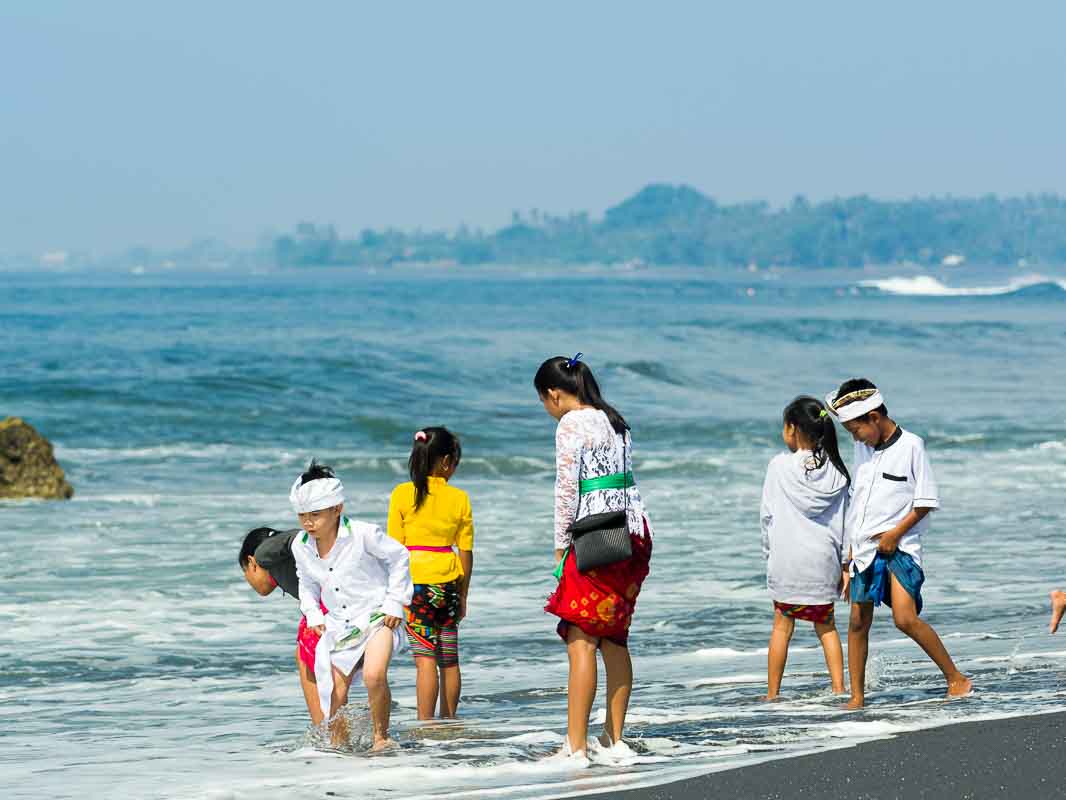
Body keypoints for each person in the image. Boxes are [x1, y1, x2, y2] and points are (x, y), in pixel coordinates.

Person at [826, 378, 972, 709]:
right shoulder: (862, 448)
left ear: (874, 417)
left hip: (900, 549)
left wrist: (894, 534)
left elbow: (925, 501)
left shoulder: (912, 446)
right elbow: (857, 505)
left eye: (856, 429)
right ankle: (857, 697)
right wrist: (848, 560)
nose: (854, 437)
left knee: (904, 619)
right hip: (863, 551)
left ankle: (957, 679)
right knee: (857, 623)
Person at [536, 354, 653, 763]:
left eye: (545, 404)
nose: (549, 412)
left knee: (581, 639)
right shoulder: (615, 419)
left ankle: (576, 746)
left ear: (554, 395)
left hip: (595, 535)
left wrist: (559, 543)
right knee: (615, 637)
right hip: (634, 533)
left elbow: (567, 487)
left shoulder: (572, 423)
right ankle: (613, 738)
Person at [289, 461, 413, 750]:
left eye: (316, 515)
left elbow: (399, 557)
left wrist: (395, 602)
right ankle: (338, 746)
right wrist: (312, 613)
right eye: (302, 516)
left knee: (373, 674)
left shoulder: (364, 533)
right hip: (338, 624)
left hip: (377, 615)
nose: (308, 523)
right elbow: (305, 582)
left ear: (337, 509)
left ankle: (381, 738)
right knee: (334, 688)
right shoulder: (301, 545)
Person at [760, 396, 850, 700]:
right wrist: (846, 564)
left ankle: (773, 693)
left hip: (788, 560)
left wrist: (768, 554)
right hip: (823, 560)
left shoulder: (778, 466)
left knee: (782, 627)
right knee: (826, 626)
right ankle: (839, 688)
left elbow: (767, 517)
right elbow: (845, 523)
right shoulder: (837, 472)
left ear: (793, 428)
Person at [387, 427, 474, 720]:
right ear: (447, 461)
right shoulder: (459, 498)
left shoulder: (401, 494)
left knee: (425, 661)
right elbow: (466, 551)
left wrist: (392, 595)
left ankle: (426, 726)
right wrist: (463, 595)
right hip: (448, 583)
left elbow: (394, 550)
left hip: (416, 586)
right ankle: (449, 721)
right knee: (448, 660)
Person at [239, 526, 327, 724]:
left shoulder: (263, 554)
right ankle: (333, 729)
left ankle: (326, 731)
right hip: (352, 603)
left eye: (245, 572)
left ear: (251, 562)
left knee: (305, 646)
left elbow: (295, 536)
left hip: (340, 608)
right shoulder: (287, 566)